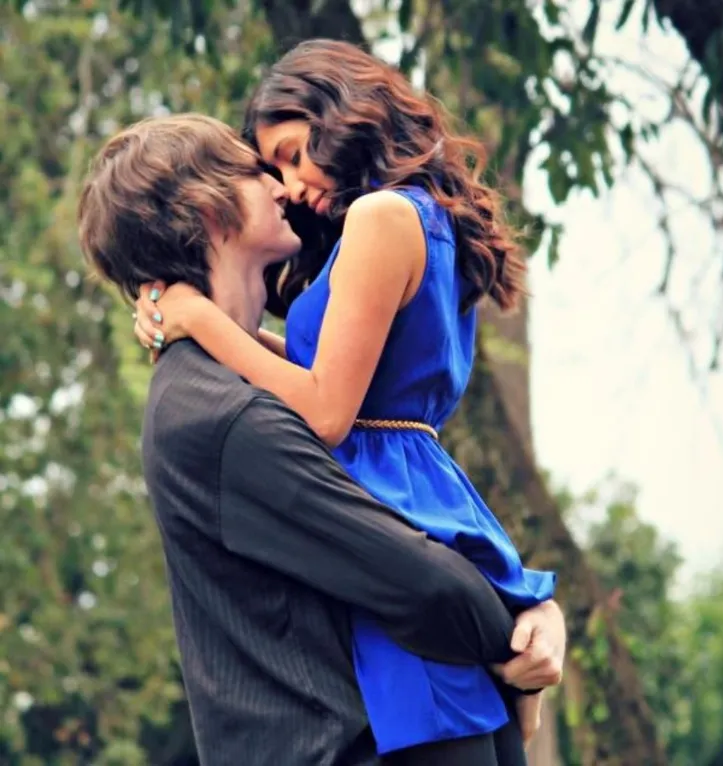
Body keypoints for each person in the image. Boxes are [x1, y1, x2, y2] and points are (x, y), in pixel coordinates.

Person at [78, 113, 566, 766]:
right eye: (257, 171)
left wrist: (539, 614)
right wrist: (523, 630)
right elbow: (418, 579)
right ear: (209, 210)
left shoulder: (237, 384)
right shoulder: (218, 414)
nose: (282, 186)